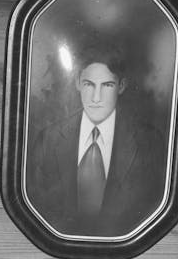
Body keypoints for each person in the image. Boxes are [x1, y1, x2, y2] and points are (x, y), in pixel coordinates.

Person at [27, 40, 167, 238]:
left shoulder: (149, 143)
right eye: (89, 84)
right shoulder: (48, 139)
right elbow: (38, 204)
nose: (96, 98)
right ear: (77, 83)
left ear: (122, 86)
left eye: (107, 85)